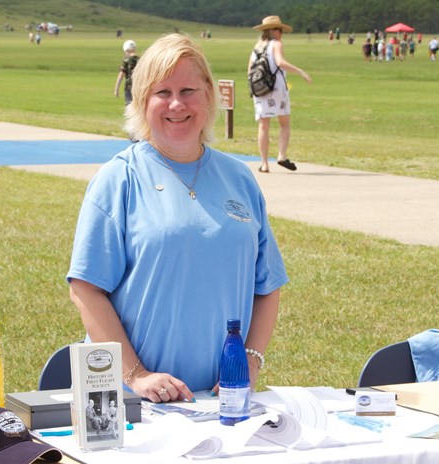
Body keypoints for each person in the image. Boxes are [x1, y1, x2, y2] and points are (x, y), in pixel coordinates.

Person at [67, 33, 288, 404]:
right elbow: (85, 289)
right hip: (132, 402)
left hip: (221, 400)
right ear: (141, 102)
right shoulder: (118, 178)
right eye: (161, 93)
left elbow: (268, 286)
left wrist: (250, 361)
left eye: (188, 90)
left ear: (208, 96)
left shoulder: (239, 178)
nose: (176, 104)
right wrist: (137, 376)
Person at [249, 15, 312, 173]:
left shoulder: (257, 47)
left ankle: (264, 163)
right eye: (279, 30)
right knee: (284, 123)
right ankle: (281, 156)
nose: (280, 33)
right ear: (273, 31)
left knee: (263, 125)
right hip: (276, 87)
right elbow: (280, 62)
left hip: (259, 89)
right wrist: (300, 71)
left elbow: (250, 70)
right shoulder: (276, 44)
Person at [114, 39, 139, 105]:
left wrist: (116, 88)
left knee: (129, 106)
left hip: (129, 87)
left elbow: (121, 75)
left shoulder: (126, 61)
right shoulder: (140, 60)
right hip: (139, 87)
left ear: (126, 50)